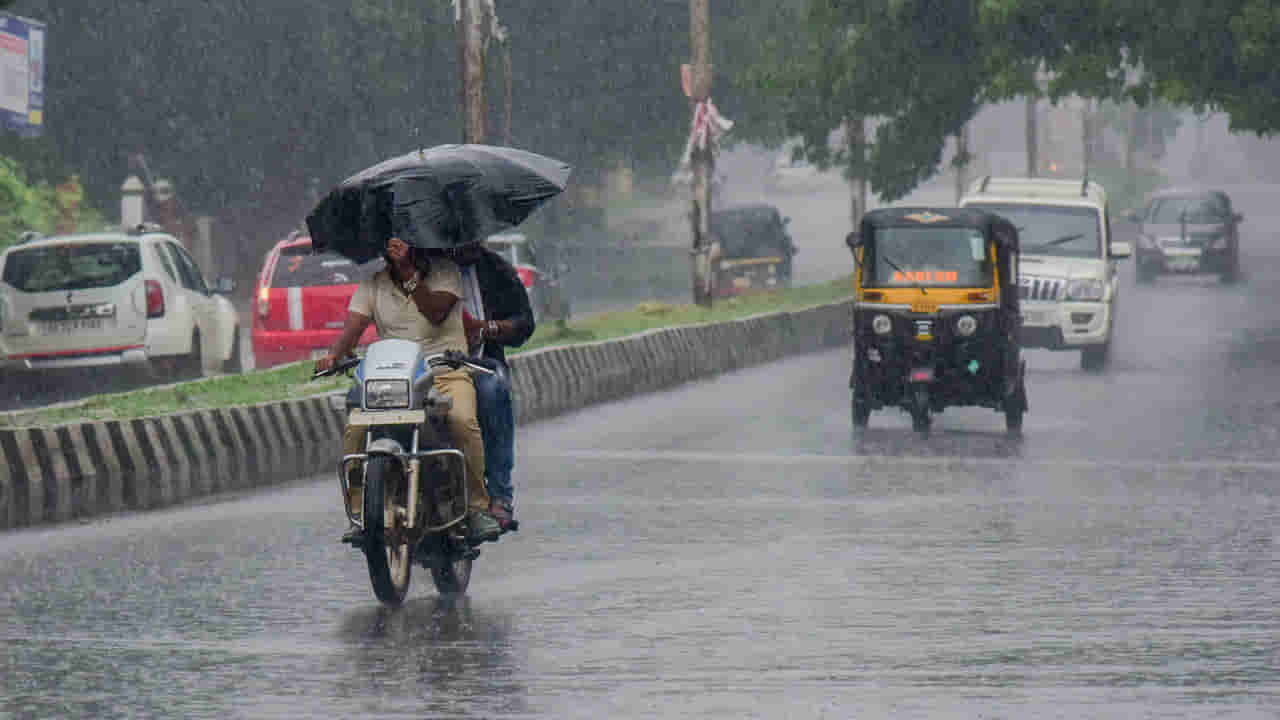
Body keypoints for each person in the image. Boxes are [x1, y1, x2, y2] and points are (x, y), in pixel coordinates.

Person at [316, 236, 501, 544]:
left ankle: (476, 507)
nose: (394, 248)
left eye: (402, 243)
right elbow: (353, 327)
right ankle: (361, 510)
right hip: (395, 379)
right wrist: (334, 355)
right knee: (355, 429)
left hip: (445, 375)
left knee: (463, 423)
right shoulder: (372, 285)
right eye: (390, 243)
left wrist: (408, 273)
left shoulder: (446, 273)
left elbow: (436, 312)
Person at [452, 241, 536, 532]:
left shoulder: (496, 268)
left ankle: (500, 493)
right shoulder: (421, 268)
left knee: (492, 390)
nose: (467, 242)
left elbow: (524, 323)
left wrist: (487, 328)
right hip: (426, 364)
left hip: (480, 363)